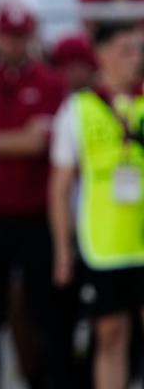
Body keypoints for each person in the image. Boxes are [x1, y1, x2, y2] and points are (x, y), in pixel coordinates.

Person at [0, 4, 67, 389]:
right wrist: (17, 140)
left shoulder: (49, 81)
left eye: (20, 36)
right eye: (7, 36)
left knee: (48, 314)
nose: (13, 44)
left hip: (34, 215)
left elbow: (38, 141)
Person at [49, 21, 144, 389]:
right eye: (125, 50)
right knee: (110, 335)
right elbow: (60, 187)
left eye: (138, 50)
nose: (134, 58)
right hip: (104, 242)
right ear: (101, 55)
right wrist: (62, 252)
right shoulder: (79, 108)